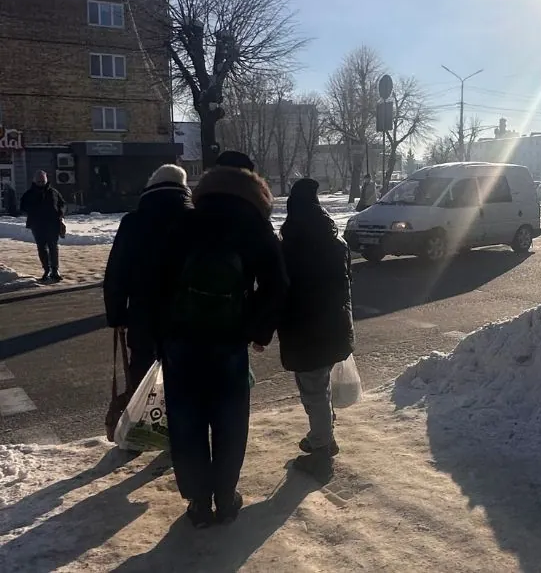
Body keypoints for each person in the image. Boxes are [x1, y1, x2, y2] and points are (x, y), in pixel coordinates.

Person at [161, 150, 288, 528]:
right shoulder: (255, 224)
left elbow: (157, 278)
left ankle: (198, 502)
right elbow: (278, 284)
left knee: (187, 419)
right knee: (229, 419)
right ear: (252, 181)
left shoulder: (186, 218)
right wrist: (255, 329)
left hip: (182, 338)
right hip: (229, 340)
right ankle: (226, 498)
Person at [274, 178, 353, 479]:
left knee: (314, 390)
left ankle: (321, 451)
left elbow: (279, 293)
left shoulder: (289, 248)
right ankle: (324, 437)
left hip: (304, 333)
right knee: (320, 386)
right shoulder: (337, 245)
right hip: (334, 328)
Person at [103, 165, 193, 394]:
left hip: (144, 317)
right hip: (190, 317)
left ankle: (145, 415)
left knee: (144, 383)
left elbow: (117, 272)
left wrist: (116, 315)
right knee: (187, 383)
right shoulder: (196, 220)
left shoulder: (133, 222)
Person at [19, 170, 65, 282]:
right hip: (37, 225)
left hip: (53, 224)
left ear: (46, 180)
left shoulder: (53, 192)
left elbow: (62, 204)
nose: (41, 183)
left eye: (43, 181)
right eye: (39, 181)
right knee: (42, 247)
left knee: (53, 247)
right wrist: (32, 210)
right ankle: (46, 269)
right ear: (34, 181)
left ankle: (55, 270)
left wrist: (61, 213)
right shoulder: (29, 194)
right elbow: (22, 207)